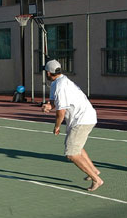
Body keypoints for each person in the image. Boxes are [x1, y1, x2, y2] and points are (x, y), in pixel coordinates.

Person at [41, 59, 103, 191]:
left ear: (48, 73)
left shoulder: (61, 86)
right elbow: (54, 103)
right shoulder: (56, 83)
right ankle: (94, 171)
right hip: (82, 118)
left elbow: (61, 112)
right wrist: (48, 106)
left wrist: (56, 126)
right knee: (77, 147)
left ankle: (97, 180)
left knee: (71, 154)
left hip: (82, 119)